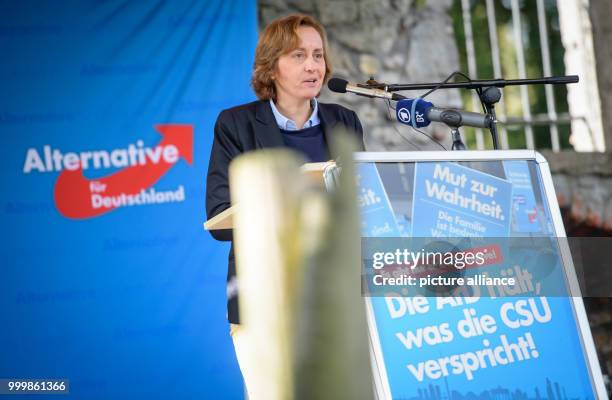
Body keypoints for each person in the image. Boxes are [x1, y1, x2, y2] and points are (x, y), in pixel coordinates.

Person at [205, 13, 364, 394]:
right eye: (297, 55)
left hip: (340, 291)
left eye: (317, 55)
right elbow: (218, 214)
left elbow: (363, 205)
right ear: (271, 66)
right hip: (264, 296)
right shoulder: (235, 125)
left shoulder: (346, 122)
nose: (312, 65)